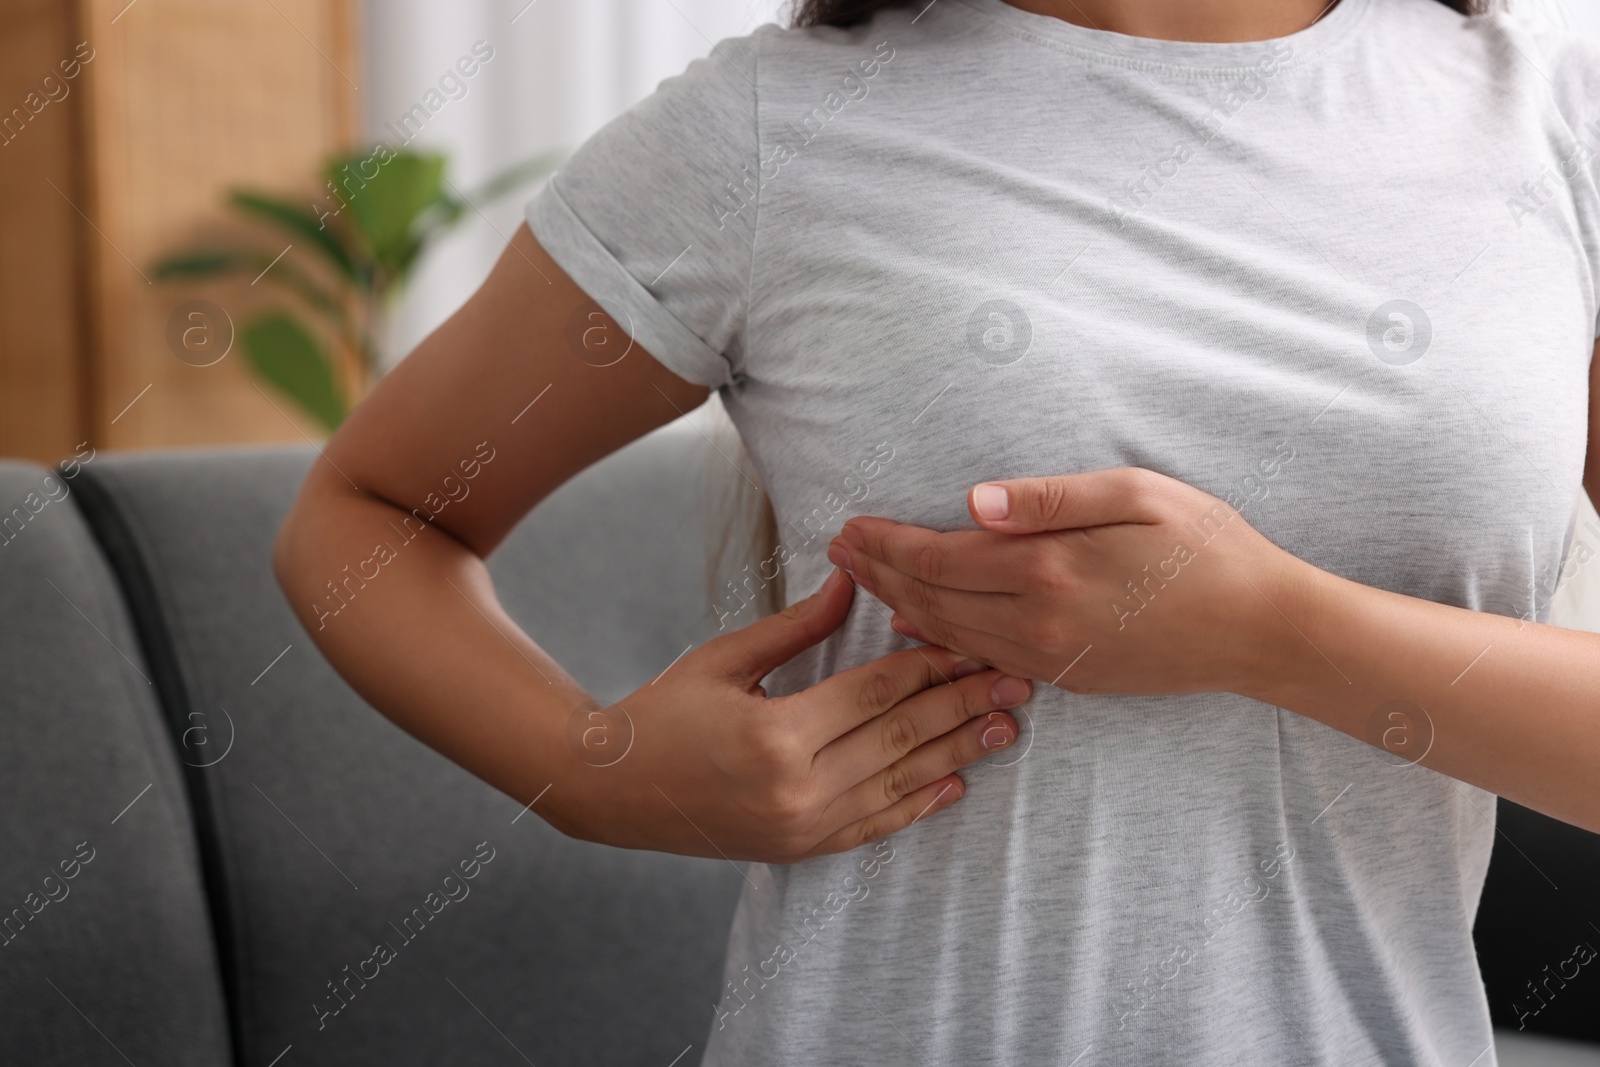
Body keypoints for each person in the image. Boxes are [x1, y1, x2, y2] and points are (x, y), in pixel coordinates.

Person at [274, 0, 1600, 1062]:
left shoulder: (1553, 106)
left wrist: (1270, 630)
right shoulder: (767, 130)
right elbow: (362, 520)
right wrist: (595, 771)